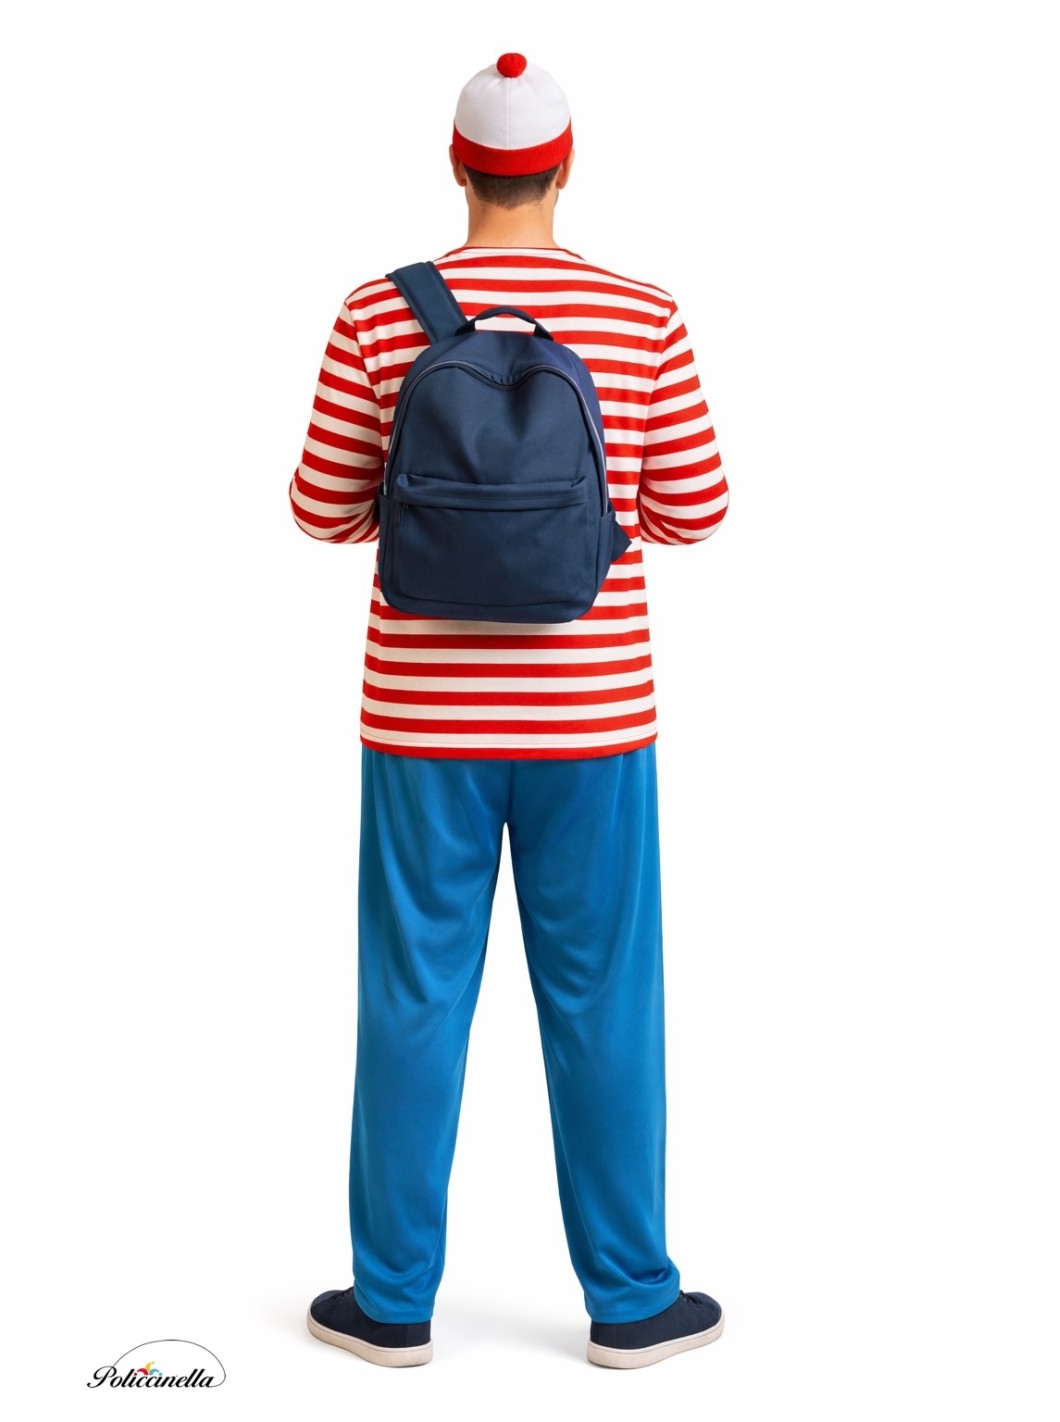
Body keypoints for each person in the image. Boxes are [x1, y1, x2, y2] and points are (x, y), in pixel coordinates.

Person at [289, 52, 729, 1370]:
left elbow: (320, 509)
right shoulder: (642, 315)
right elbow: (695, 510)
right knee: (604, 1000)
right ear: (568, 164)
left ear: (457, 163)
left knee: (413, 994)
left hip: (421, 724)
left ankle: (392, 1303)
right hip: (593, 722)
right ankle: (632, 1301)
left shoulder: (376, 314)